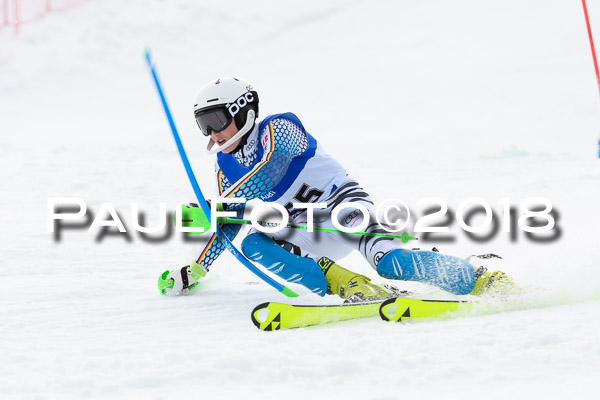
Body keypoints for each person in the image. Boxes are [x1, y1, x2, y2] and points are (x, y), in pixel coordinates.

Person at [159, 77, 517, 300]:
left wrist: (220, 207)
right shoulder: (225, 167)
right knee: (253, 241)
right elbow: (229, 224)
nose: (212, 134)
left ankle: (481, 278)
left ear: (244, 111)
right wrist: (197, 268)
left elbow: (269, 172)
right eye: (202, 125)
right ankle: (348, 285)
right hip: (304, 228)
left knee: (393, 263)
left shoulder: (281, 128)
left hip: (344, 210)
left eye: (216, 120)